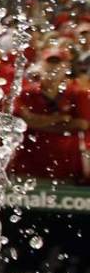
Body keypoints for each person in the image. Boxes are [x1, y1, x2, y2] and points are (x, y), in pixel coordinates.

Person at [8, 46, 90, 183]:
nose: (53, 67)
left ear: (66, 66)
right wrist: (59, 119)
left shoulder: (78, 93)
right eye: (49, 62)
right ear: (41, 65)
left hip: (67, 170)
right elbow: (21, 121)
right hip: (28, 168)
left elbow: (82, 124)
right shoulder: (26, 93)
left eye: (58, 63)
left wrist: (36, 123)